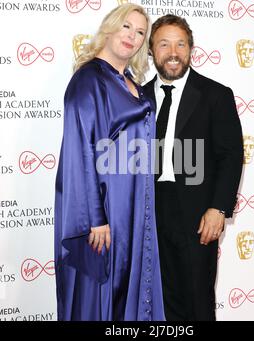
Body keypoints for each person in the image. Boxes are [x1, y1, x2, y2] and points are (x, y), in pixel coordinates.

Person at [54, 4, 165, 321]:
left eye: (140, 32)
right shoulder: (88, 80)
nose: (132, 36)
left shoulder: (130, 80)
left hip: (135, 204)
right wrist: (95, 217)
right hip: (106, 208)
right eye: (126, 26)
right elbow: (81, 151)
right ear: (110, 27)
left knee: (128, 283)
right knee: (104, 291)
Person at [144, 15, 244, 320]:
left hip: (198, 214)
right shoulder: (137, 98)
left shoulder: (215, 95)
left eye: (180, 44)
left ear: (191, 49)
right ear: (151, 50)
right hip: (149, 214)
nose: (173, 52)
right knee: (157, 299)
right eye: (164, 44)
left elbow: (231, 155)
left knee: (197, 300)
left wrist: (218, 208)